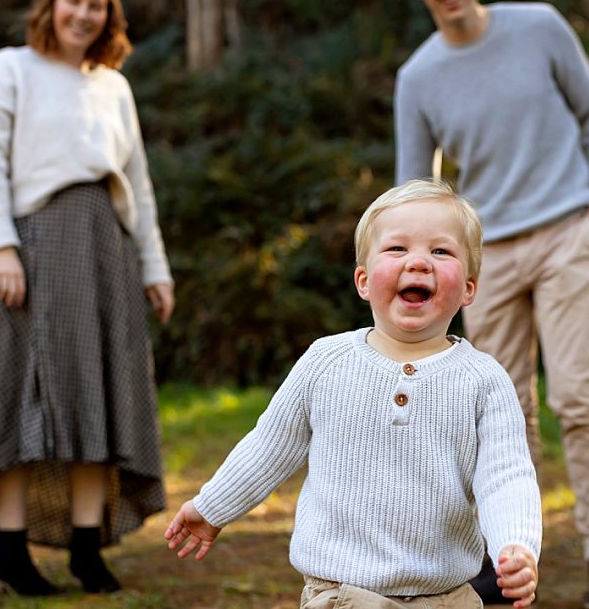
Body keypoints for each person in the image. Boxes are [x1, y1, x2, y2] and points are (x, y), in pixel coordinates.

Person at [164, 179, 541, 608]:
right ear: (363, 280)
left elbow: (506, 475)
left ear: (469, 287)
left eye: (441, 251)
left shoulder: (484, 380)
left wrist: (516, 545)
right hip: (341, 594)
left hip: (446, 597)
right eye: (397, 249)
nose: (418, 262)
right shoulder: (326, 362)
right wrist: (212, 506)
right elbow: (269, 446)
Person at [393, 0, 589, 606]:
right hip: (487, 256)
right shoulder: (418, 78)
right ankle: (508, 558)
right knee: (505, 414)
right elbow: (417, 190)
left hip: (566, 233)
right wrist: (435, 265)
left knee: (576, 398)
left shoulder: (541, 28)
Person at [0, 0, 174, 597]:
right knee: (20, 395)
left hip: (105, 246)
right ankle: (11, 553)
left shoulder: (113, 87)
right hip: (33, 248)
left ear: (108, 16)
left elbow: (139, 185)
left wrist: (154, 266)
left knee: (98, 392)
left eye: (96, 6)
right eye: (74, 1)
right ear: (52, 4)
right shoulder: (10, 69)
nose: (83, 14)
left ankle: (86, 551)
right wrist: (0, 249)